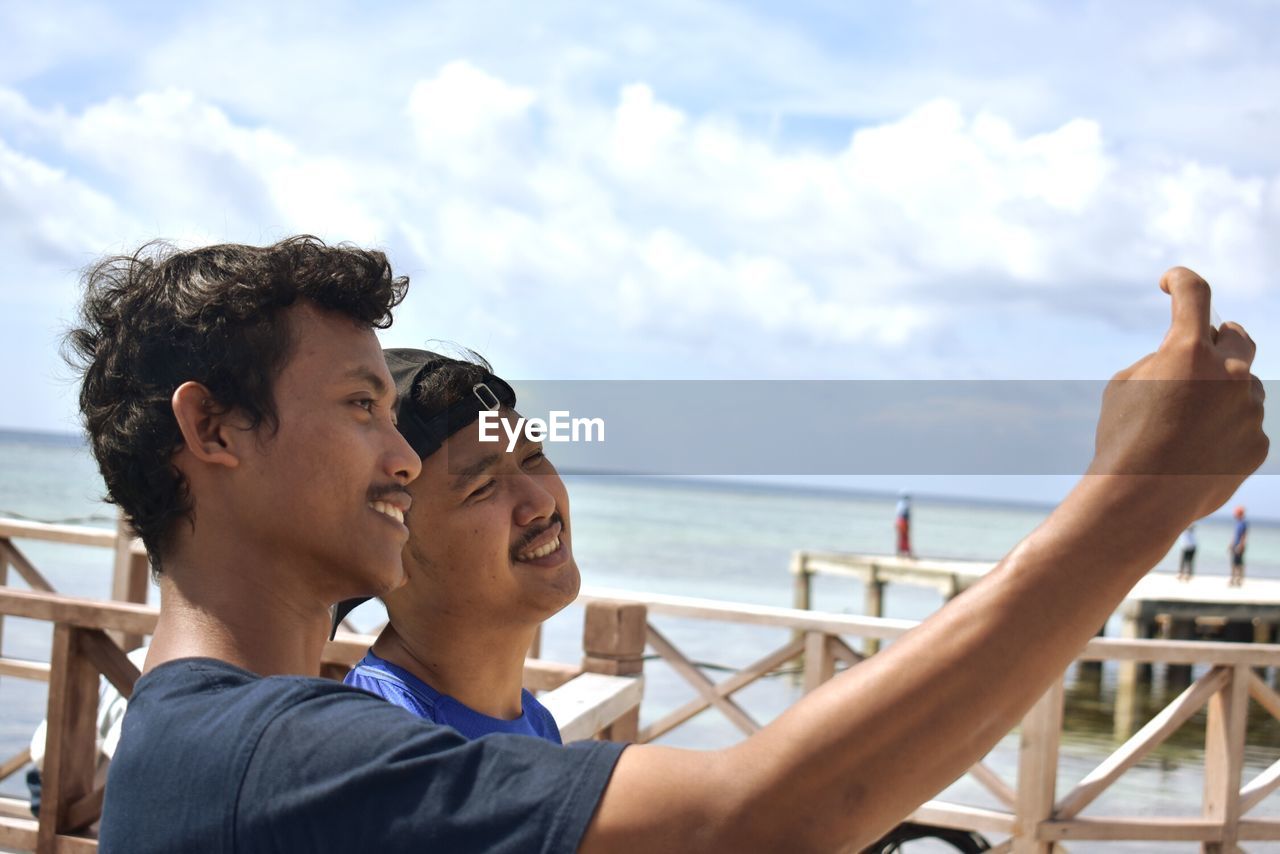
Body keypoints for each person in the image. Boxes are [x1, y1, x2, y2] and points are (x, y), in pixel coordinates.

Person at [68, 238, 1264, 853]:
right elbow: (751, 817)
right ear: (212, 428)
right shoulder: (268, 753)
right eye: (359, 408)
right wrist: (1131, 500)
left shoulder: (214, 737)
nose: (396, 458)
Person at [335, 350, 568, 743]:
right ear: (389, 548)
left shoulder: (535, 719)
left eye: (533, 456)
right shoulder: (386, 745)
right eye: (482, 487)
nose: (542, 502)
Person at [1230, 505, 1249, 586]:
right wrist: (1231, 544)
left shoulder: (1243, 523)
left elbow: (1243, 536)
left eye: (1236, 513)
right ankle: (1233, 578)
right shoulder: (1238, 523)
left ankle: (1239, 579)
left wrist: (1240, 546)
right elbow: (1235, 535)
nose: (1235, 515)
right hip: (1236, 545)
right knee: (1234, 563)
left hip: (1239, 546)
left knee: (1239, 564)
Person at [894, 491, 913, 557]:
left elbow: (898, 515)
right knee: (904, 537)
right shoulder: (906, 504)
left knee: (901, 537)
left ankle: (900, 552)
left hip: (899, 521)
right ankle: (905, 552)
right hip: (903, 522)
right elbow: (906, 516)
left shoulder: (899, 504)